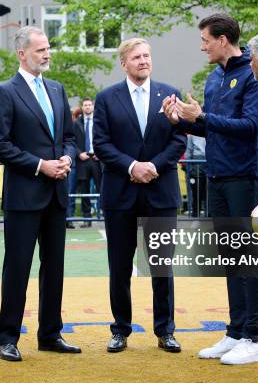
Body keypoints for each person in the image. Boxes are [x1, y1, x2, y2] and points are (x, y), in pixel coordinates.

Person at [164, 14, 258, 365]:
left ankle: (255, 337)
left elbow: (251, 126)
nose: (201, 45)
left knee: (248, 259)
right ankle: (236, 331)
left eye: (205, 39)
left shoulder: (253, 75)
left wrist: (202, 118)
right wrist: (181, 122)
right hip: (217, 177)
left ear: (223, 40)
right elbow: (212, 130)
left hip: (244, 179)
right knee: (230, 258)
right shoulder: (213, 78)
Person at [0, 26, 80, 362]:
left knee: (54, 268)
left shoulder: (57, 89)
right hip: (25, 195)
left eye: (48, 48)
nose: (47, 53)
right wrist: (40, 165)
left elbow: (70, 136)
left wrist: (68, 156)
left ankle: (51, 334)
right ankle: (8, 337)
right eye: (40, 49)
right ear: (22, 53)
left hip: (57, 193)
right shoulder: (5, 92)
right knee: (17, 268)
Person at [94, 37, 186, 353]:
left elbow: (179, 141)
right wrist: (133, 166)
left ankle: (166, 331)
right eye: (136, 57)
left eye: (147, 55)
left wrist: (153, 167)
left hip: (160, 192)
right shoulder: (107, 98)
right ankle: (120, 329)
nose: (144, 61)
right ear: (124, 63)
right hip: (120, 193)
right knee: (120, 267)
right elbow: (101, 144)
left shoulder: (169, 94)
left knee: (162, 266)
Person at [74, 98, 102, 227]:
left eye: (90, 105)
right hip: (83, 160)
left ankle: (105, 216)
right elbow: (71, 141)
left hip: (97, 160)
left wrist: (100, 152)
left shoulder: (100, 121)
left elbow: (105, 138)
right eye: (85, 105)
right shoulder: (76, 123)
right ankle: (87, 219)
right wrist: (79, 153)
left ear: (93, 107)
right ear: (82, 107)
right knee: (85, 190)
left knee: (102, 188)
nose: (87, 107)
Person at [66, 106, 81, 229]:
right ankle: (67, 218)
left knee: (70, 191)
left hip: (70, 163)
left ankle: (69, 218)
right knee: (68, 192)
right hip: (60, 163)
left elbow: (71, 142)